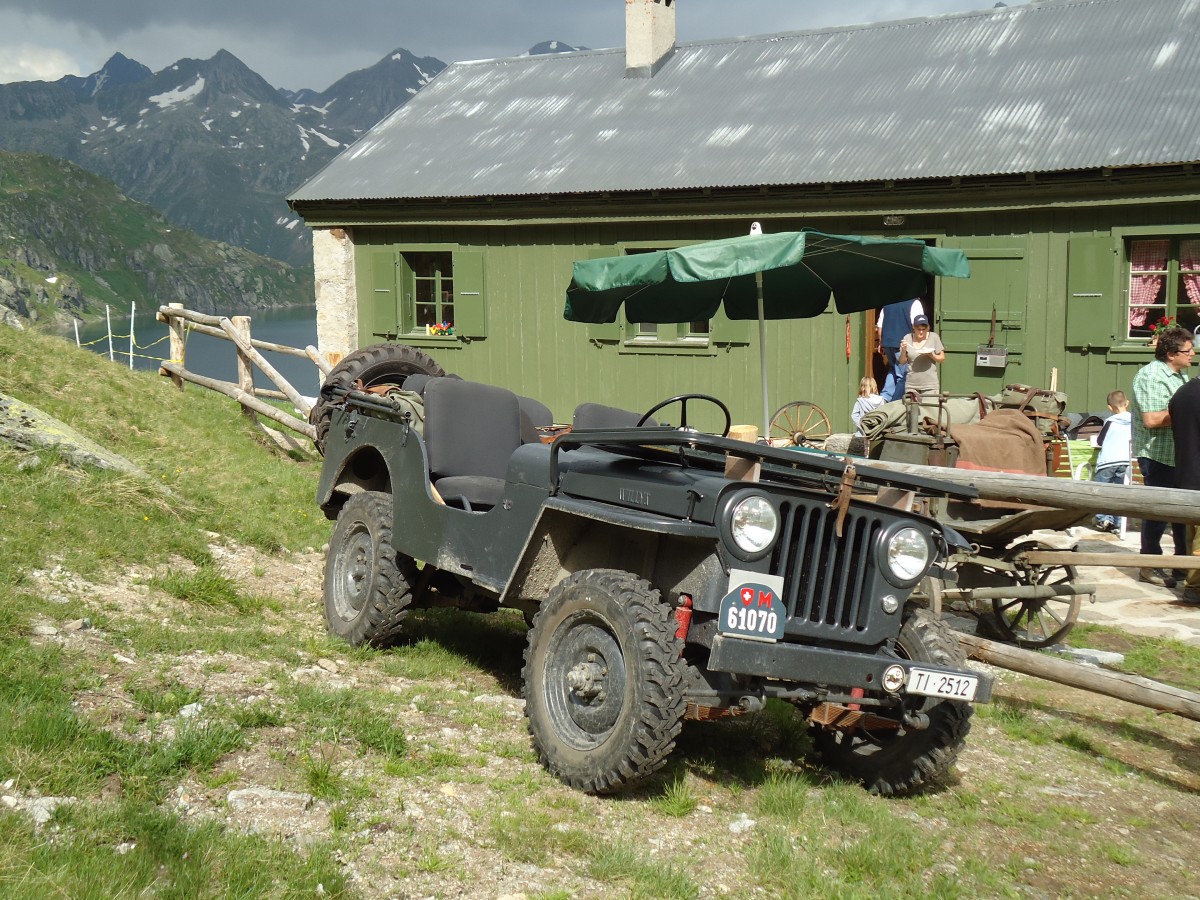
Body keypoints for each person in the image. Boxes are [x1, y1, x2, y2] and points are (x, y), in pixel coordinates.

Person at [1130, 324, 1194, 587]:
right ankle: (1150, 564)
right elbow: (1152, 419)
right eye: (1188, 351)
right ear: (1171, 353)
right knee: (1156, 511)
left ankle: (1181, 565)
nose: (1193, 355)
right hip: (1157, 454)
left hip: (1179, 453)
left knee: (1182, 513)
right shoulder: (1151, 376)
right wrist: (1188, 412)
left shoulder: (1179, 375)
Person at [1169, 366, 1200, 604]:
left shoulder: (1180, 394)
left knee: (1192, 535)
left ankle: (1192, 584)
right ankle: (1194, 587)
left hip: (1186, 472)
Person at [1091, 390, 1132, 533]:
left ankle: (1103, 519)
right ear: (1127, 403)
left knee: (1102, 491)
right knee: (1120, 492)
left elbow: (1100, 441)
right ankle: (1118, 523)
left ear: (1109, 407)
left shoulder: (1110, 422)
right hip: (1125, 461)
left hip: (1108, 461)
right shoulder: (1134, 422)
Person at [876, 298, 924, 401]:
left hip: (888, 343)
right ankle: (895, 403)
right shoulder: (914, 303)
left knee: (893, 370)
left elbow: (880, 327)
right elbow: (918, 326)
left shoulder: (888, 303)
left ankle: (884, 399)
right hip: (903, 344)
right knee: (905, 376)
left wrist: (881, 343)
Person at [898, 314, 945, 398]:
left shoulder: (934, 337)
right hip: (912, 385)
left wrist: (932, 355)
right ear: (913, 327)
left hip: (930, 385)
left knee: (930, 409)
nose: (921, 332)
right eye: (918, 329)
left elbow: (942, 358)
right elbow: (902, 362)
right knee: (912, 410)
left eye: (924, 329)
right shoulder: (907, 338)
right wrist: (903, 350)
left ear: (927, 328)